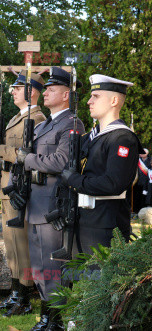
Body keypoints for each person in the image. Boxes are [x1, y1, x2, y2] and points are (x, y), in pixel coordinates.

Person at [13, 67, 85, 330]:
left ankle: (54, 320)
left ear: (66, 95)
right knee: (40, 267)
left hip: (53, 206)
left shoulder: (73, 124)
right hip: (34, 204)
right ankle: (47, 316)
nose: (46, 93)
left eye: (52, 89)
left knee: (53, 266)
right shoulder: (44, 125)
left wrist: (28, 159)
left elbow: (62, 161)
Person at [61, 74, 142, 251]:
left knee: (97, 277)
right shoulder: (90, 138)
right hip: (82, 219)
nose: (89, 101)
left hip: (105, 227)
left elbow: (112, 183)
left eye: (95, 96)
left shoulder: (122, 138)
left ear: (114, 100)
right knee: (80, 277)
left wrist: (74, 180)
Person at [0, 70, 47, 317]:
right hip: (8, 186)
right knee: (11, 244)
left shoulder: (37, 118)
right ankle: (15, 294)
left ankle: (24, 297)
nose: (13, 91)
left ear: (31, 91)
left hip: (19, 189)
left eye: (17, 87)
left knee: (21, 244)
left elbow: (28, 155)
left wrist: (0, 149)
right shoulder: (19, 116)